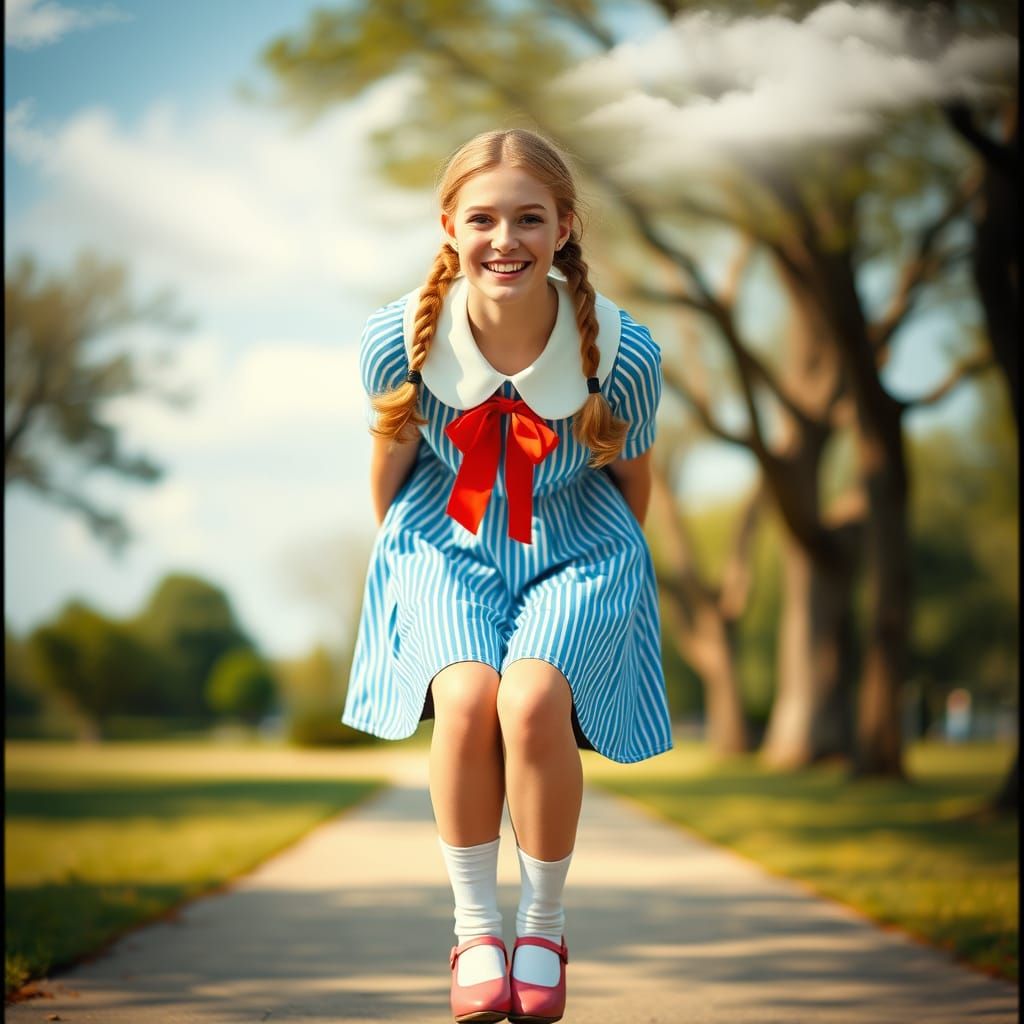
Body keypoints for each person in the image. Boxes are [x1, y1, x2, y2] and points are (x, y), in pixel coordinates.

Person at [343, 128, 673, 1024]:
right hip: (443, 541)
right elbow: (390, 475)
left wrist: (589, 614)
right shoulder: (396, 341)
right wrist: (420, 585)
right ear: (448, 225)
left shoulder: (625, 356)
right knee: (464, 697)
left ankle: (543, 925)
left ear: (565, 227)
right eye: (483, 218)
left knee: (529, 701)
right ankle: (474, 928)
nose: (505, 240)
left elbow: (632, 480)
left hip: (580, 543)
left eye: (530, 218)